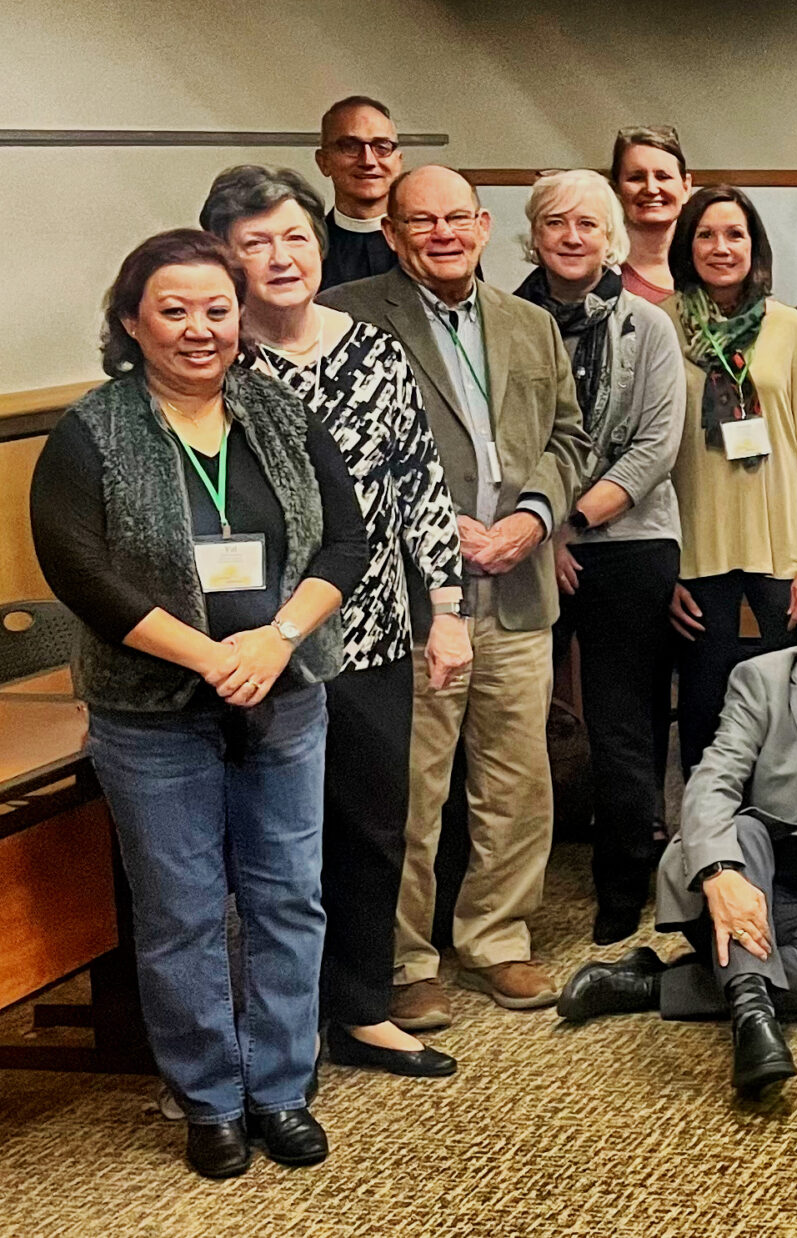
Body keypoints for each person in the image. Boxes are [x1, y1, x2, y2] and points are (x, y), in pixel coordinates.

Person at [31, 230, 368, 1176]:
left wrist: (273, 642)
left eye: (217, 308)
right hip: (150, 708)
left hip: (285, 689)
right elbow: (81, 573)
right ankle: (211, 1099)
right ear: (132, 321)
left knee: (287, 897)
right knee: (179, 909)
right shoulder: (92, 431)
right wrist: (209, 658)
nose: (199, 329)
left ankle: (281, 1089)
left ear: (241, 316)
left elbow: (344, 542)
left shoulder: (280, 412)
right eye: (174, 310)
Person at [200, 166, 472, 1078]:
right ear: (225, 260)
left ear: (322, 247)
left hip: (373, 633)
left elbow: (420, 485)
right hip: (256, 643)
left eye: (295, 239)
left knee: (371, 826)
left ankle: (357, 1009)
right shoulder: (217, 361)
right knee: (267, 844)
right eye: (256, 244)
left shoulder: (375, 350)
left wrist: (448, 608)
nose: (281, 259)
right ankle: (267, 1035)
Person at [319, 166, 591, 1028]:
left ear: (482, 225)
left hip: (516, 585)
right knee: (412, 786)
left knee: (517, 778)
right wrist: (433, 535)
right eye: (420, 221)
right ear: (392, 234)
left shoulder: (530, 322)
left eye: (457, 219)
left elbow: (567, 437)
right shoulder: (350, 316)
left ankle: (499, 940)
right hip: (406, 599)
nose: (442, 234)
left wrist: (537, 517)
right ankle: (405, 961)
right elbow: (335, 463)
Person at [557, 567, 797, 1100]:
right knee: (744, 830)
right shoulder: (762, 679)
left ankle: (653, 981)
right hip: (742, 885)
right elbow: (711, 782)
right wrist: (721, 875)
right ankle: (754, 1027)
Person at [512, 169, 687, 943]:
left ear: (610, 236)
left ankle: (622, 888)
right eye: (556, 223)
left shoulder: (648, 326)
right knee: (513, 724)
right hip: (522, 544)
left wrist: (568, 526)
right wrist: (539, 532)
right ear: (534, 235)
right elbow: (506, 443)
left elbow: (655, 448)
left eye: (588, 223)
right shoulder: (505, 322)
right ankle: (510, 895)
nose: (573, 236)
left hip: (629, 540)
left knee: (621, 723)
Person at [663, 186, 797, 771]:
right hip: (696, 548)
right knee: (705, 704)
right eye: (706, 235)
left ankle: (786, 830)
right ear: (686, 247)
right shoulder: (660, 324)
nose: (721, 247)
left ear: (754, 246)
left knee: (788, 695)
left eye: (734, 234)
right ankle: (706, 839)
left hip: (783, 548)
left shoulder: (788, 327)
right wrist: (665, 565)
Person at [312, 95, 402, 289]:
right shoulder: (308, 249)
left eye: (381, 147)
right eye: (350, 146)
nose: (368, 161)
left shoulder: (428, 244)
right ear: (323, 162)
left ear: (398, 162)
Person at [611, 125, 693, 307]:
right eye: (636, 178)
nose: (651, 189)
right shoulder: (601, 273)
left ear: (686, 186)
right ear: (616, 189)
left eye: (663, 176)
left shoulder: (708, 267)